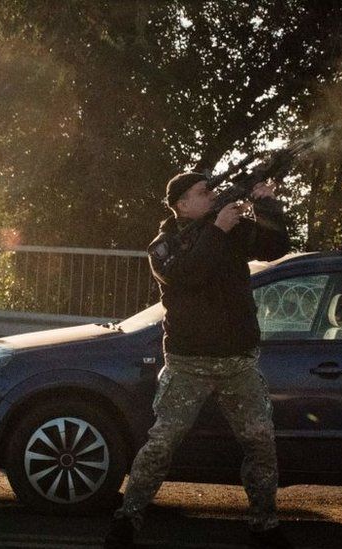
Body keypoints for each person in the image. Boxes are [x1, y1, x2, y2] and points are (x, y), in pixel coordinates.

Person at [104, 172, 291, 548]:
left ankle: (264, 524)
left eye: (211, 191)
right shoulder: (163, 246)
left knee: (260, 443)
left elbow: (275, 247)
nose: (211, 196)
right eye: (202, 193)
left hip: (237, 362)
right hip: (188, 364)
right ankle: (128, 519)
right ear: (182, 204)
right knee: (161, 444)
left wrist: (266, 205)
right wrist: (218, 230)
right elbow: (186, 276)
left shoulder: (227, 229)